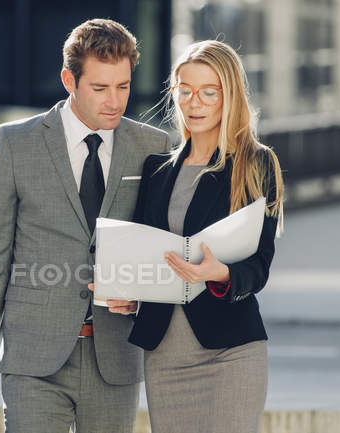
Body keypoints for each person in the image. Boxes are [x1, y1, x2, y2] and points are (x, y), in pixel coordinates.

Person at [0, 18, 170, 433]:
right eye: (100, 88)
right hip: (32, 357)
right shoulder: (15, 144)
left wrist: (144, 298)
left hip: (115, 356)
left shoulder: (153, 147)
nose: (115, 101)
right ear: (69, 80)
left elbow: (161, 245)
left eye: (123, 87)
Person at [128, 40, 285, 433]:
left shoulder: (256, 163)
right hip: (165, 356)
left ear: (228, 95)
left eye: (208, 92)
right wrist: (127, 288)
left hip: (232, 353)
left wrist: (221, 274)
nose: (194, 102)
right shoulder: (156, 171)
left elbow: (259, 267)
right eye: (185, 90)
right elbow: (142, 252)